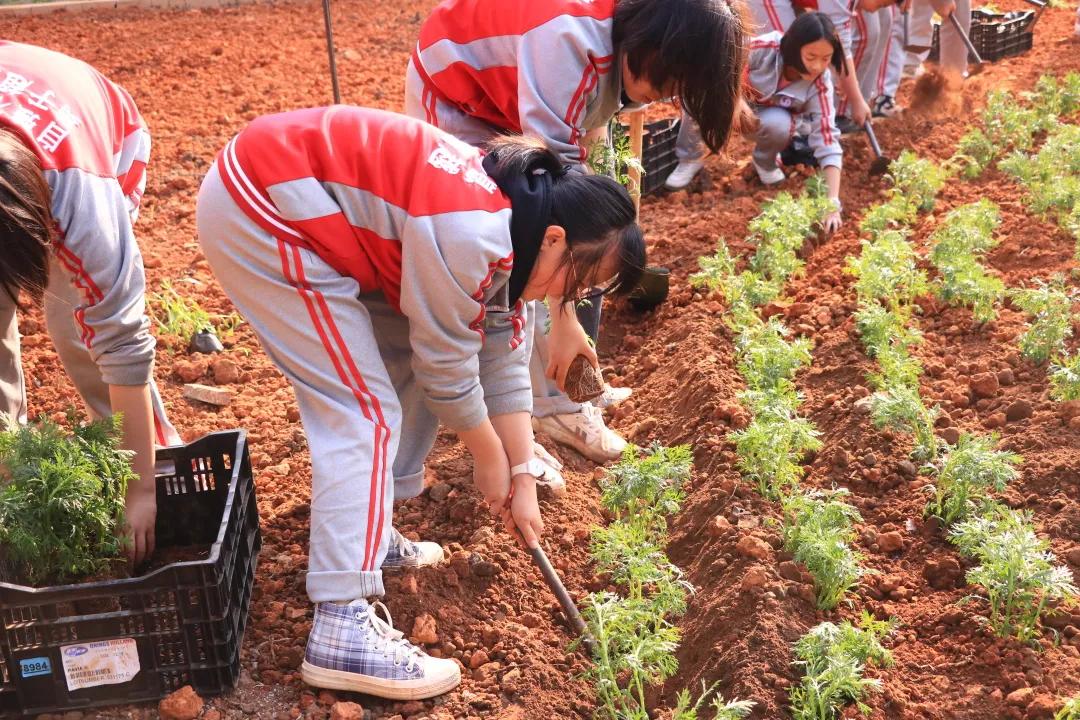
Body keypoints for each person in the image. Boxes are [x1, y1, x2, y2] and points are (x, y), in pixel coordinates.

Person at [195, 105, 645, 699]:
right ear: (558, 240)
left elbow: (502, 355)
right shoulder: (472, 230)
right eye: (578, 282)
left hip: (313, 214)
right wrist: (487, 454)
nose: (572, 296)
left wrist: (521, 471)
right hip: (265, 207)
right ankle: (340, 626)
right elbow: (448, 368)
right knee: (362, 407)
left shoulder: (522, 229)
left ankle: (371, 532)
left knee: (396, 366)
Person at [406, 0, 744, 463]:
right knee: (509, 257)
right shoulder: (567, 41)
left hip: (520, 96)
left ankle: (564, 390)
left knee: (590, 244)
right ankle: (541, 413)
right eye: (665, 81)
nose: (660, 96)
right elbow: (555, 208)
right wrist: (563, 316)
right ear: (650, 38)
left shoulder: (616, 44)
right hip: (461, 96)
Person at [0, 41, 181, 566]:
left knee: (79, 325)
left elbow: (124, 343)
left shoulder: (85, 207)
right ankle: (12, 481)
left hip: (96, 131)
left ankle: (156, 465)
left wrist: (140, 492)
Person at [746, 13, 845, 232]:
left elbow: (827, 138)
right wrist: (733, 103)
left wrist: (832, 203)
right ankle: (689, 160)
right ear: (793, 47)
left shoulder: (820, 84)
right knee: (698, 97)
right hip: (730, 105)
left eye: (826, 58)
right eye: (811, 57)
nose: (818, 66)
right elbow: (722, 62)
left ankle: (765, 162)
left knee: (780, 125)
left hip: (764, 120)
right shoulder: (765, 48)